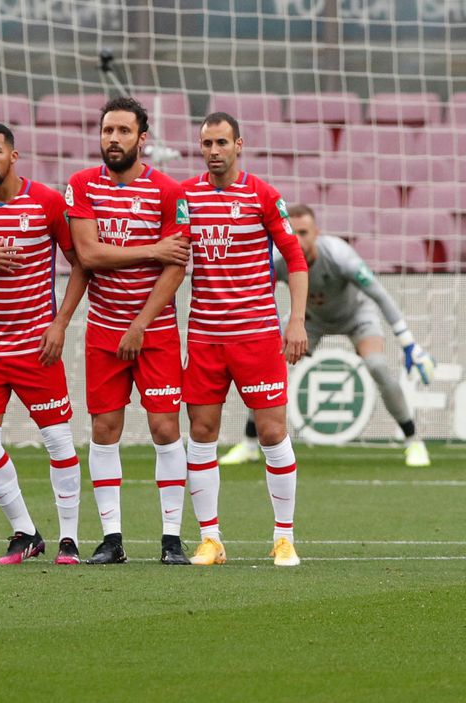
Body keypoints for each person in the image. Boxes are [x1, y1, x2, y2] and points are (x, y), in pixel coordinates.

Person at [0, 122, 89, 565]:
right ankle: (26, 532)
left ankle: (69, 540)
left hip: (37, 346)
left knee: (59, 441)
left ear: (14, 155)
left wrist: (60, 324)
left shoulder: (46, 201)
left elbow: (81, 264)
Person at [65, 97, 193, 565]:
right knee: (105, 429)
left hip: (155, 332)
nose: (113, 139)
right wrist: (151, 250)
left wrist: (140, 324)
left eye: (122, 131)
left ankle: (171, 538)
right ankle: (112, 538)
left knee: (164, 428)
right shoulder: (81, 185)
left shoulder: (170, 192)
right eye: (106, 131)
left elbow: (176, 267)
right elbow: (89, 256)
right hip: (102, 330)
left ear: (143, 138)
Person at [181, 112, 309, 567]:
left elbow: (295, 258)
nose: (213, 150)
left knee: (273, 432)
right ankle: (211, 538)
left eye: (221, 142)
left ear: (240, 144)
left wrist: (295, 321)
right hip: (205, 337)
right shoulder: (187, 197)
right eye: (206, 143)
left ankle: (284, 538)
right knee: (201, 433)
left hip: (256, 336)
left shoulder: (263, 195)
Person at [219, 203, 434, 468]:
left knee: (377, 365)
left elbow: (380, 295)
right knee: (270, 367)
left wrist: (409, 344)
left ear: (317, 232)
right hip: (311, 320)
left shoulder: (340, 256)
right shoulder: (278, 260)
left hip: (356, 316)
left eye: (304, 232)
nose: (297, 239)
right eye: (292, 232)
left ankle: (413, 440)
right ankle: (250, 444)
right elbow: (258, 294)